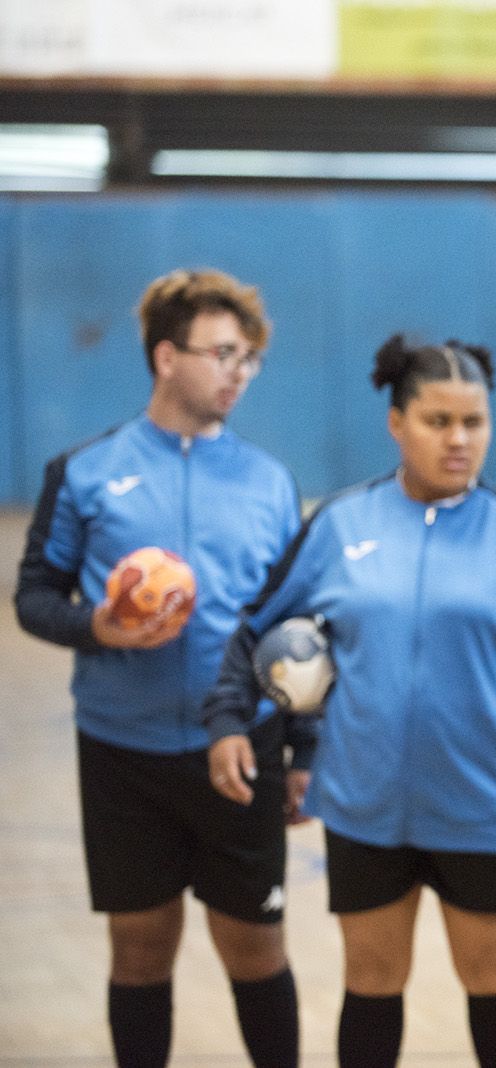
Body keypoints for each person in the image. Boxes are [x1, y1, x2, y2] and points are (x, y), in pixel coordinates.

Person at [203, 334, 496, 1068]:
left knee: (493, 979)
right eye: (438, 421)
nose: (459, 440)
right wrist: (230, 720)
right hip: (364, 804)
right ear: (396, 423)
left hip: (484, 805)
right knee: (371, 982)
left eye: (474, 422)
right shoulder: (340, 524)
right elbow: (253, 629)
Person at [13, 268, 305, 1068]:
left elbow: (295, 634)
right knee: (140, 950)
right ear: (167, 356)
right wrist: (99, 626)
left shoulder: (271, 484)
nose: (238, 372)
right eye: (222, 354)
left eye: (248, 359)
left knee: (256, 949)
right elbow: (34, 596)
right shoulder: (85, 472)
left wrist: (304, 748)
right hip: (122, 751)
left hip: (240, 750)